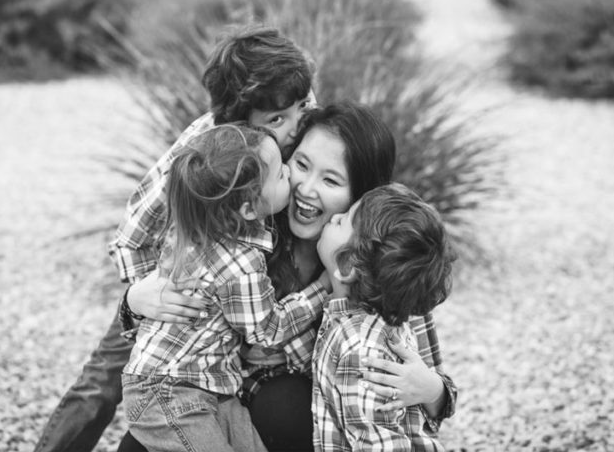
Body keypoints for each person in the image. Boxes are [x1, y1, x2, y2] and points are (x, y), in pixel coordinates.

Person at [34, 24, 316, 452]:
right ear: (237, 122)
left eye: (301, 106)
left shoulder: (299, 121)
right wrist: (146, 295)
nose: (295, 125)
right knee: (100, 386)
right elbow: (133, 234)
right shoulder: (203, 146)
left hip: (232, 298)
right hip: (172, 284)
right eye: (277, 119)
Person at [125, 102, 458, 452]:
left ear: (362, 196)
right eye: (300, 165)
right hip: (217, 398)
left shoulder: (386, 269)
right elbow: (166, 342)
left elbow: (431, 400)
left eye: (330, 180)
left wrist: (433, 390)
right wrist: (132, 302)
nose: (305, 188)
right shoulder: (247, 231)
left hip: (304, 422)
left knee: (282, 404)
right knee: (138, 442)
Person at [123, 124, 331, 452]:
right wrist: (322, 287)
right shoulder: (240, 261)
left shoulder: (196, 224)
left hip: (209, 388)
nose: (289, 172)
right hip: (168, 391)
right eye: (280, 174)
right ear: (248, 209)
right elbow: (269, 331)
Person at [312, 183, 455, 451]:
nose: (333, 218)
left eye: (341, 222)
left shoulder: (360, 351)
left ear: (347, 265)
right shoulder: (365, 324)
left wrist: (437, 391)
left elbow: (379, 444)